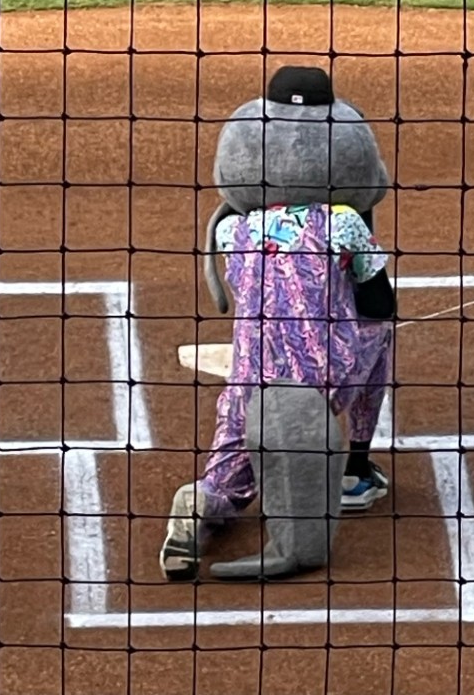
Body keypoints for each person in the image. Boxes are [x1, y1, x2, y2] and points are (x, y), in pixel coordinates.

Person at [159, 66, 394, 583]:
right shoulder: (345, 222)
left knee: (234, 457)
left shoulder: (233, 230)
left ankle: (202, 501)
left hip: (251, 375)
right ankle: (354, 470)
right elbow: (379, 302)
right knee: (379, 335)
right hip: (322, 376)